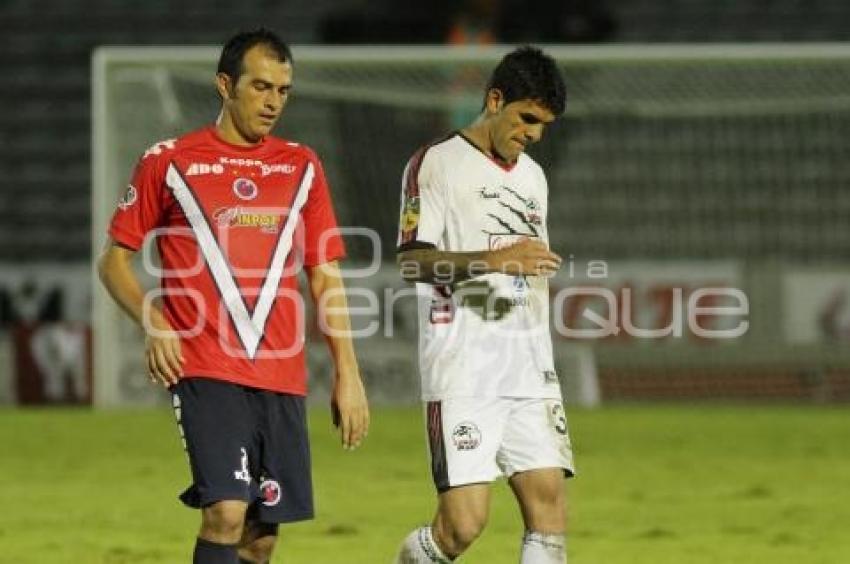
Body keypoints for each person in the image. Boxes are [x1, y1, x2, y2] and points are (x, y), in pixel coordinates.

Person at [97, 29, 369, 564]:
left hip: (281, 374)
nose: (273, 102)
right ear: (226, 85)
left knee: (261, 536)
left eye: (284, 90)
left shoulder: (302, 166)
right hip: (204, 364)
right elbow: (113, 261)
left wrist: (348, 372)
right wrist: (154, 320)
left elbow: (325, 277)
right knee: (225, 510)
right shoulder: (169, 161)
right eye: (261, 86)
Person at [394, 46, 574, 563]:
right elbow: (412, 261)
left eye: (544, 125)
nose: (534, 134)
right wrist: (495, 261)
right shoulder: (436, 164)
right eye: (527, 119)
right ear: (495, 99)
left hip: (529, 368)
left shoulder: (533, 176)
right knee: (462, 528)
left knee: (549, 513)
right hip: (464, 369)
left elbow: (527, 265)